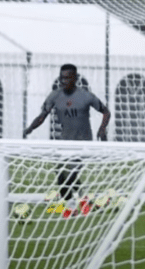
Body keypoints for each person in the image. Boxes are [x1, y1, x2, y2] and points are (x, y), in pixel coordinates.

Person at [24, 64, 111, 210]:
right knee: (61, 176)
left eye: (67, 78)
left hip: (83, 142)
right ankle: (83, 197)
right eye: (61, 78)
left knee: (69, 175)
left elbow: (106, 112)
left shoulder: (86, 96)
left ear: (75, 78)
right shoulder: (55, 96)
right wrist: (29, 129)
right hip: (64, 141)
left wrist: (102, 129)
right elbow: (42, 116)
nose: (63, 81)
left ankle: (71, 209)